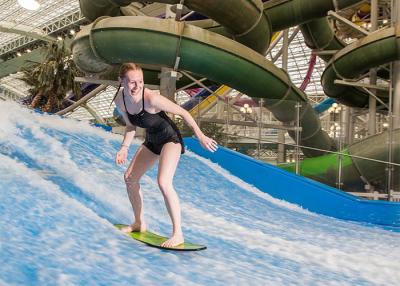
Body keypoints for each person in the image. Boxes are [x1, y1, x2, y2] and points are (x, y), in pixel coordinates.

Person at [113, 63, 218, 248]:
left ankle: (178, 234)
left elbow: (184, 113)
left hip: (170, 139)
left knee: (163, 182)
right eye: (131, 82)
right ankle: (138, 222)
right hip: (152, 140)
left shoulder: (152, 98)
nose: (137, 86)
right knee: (130, 178)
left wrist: (200, 136)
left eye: (140, 81)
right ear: (122, 81)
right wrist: (124, 147)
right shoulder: (120, 100)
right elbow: (131, 126)